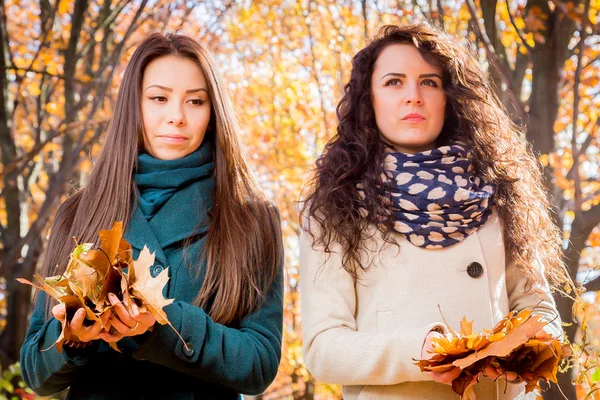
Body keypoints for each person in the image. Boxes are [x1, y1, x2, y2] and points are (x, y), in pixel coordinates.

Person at [299, 23, 565, 400]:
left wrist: (532, 346)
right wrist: (419, 352)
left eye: (429, 82)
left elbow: (538, 308)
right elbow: (322, 348)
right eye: (394, 82)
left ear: (449, 96)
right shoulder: (336, 206)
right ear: (369, 98)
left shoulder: (499, 192)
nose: (413, 96)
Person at [20, 32, 284, 400]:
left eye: (195, 101)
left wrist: (163, 326)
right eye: (159, 98)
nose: (176, 117)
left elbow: (260, 365)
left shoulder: (251, 219)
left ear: (212, 113)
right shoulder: (78, 212)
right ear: (135, 105)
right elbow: (35, 371)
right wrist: (72, 338)